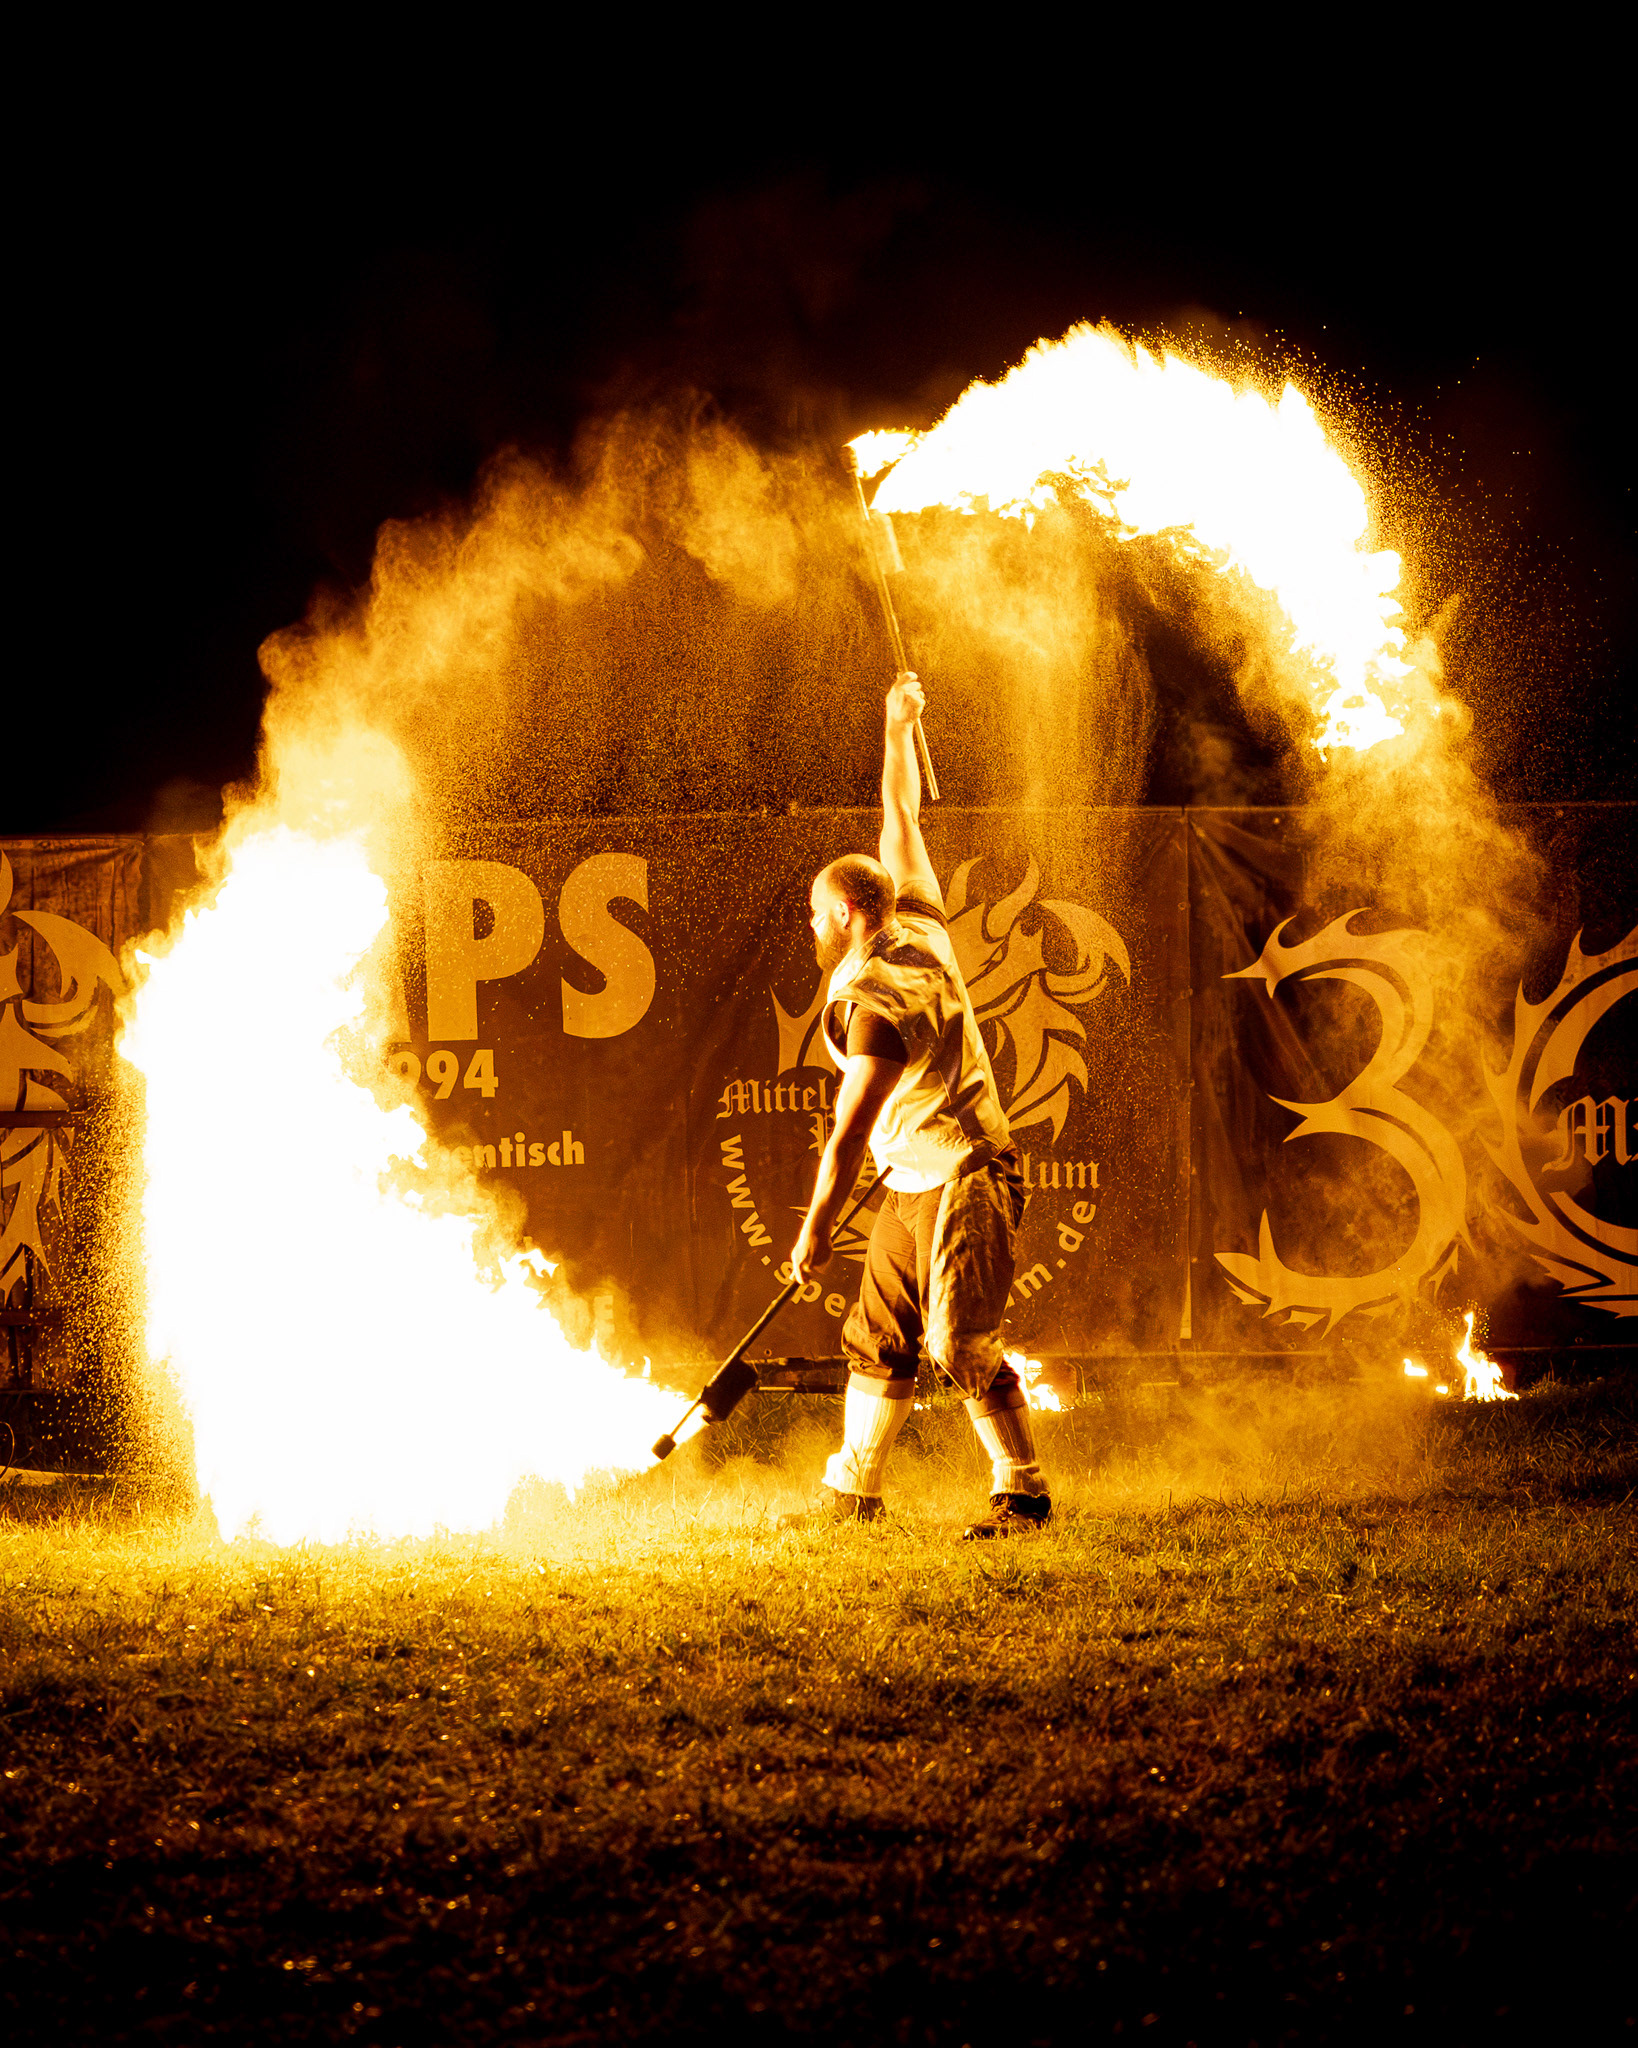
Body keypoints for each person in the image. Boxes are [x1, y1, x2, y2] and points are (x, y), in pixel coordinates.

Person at [789, 672, 1050, 1539]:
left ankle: (1023, 1493)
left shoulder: (881, 1001)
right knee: (879, 1331)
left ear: (850, 912)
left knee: (957, 1343)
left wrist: (816, 1228)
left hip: (968, 1173)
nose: (810, 926)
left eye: (818, 914)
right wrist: (895, 724)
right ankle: (852, 1489)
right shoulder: (918, 921)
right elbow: (901, 818)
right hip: (915, 1173)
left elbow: (849, 1129)